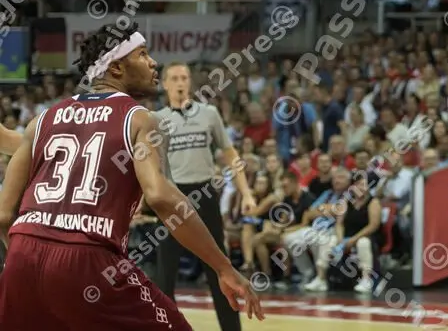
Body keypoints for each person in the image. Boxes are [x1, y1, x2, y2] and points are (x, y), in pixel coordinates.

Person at [0, 23, 264, 327]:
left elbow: (4, 215)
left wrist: (28, 258)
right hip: (89, 258)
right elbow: (160, 195)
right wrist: (223, 267)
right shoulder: (139, 118)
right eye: (142, 54)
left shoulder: (41, 120)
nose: (153, 62)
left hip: (21, 257)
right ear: (115, 69)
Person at [154, 62, 255, 331]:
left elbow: (230, 153)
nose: (179, 82)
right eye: (174, 78)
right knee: (164, 277)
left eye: (184, 77)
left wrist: (246, 193)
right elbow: (150, 167)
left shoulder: (209, 114)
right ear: (164, 84)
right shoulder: (156, 120)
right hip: (172, 198)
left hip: (205, 194)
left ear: (190, 82)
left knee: (220, 270)